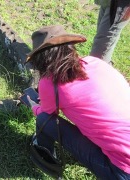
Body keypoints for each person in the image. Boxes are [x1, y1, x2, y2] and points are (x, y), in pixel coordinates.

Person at [25, 25, 130, 179]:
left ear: (40, 59)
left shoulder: (50, 83)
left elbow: (47, 114)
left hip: (122, 170)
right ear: (70, 48)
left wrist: (34, 106)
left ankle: (44, 154)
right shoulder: (95, 62)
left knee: (43, 120)